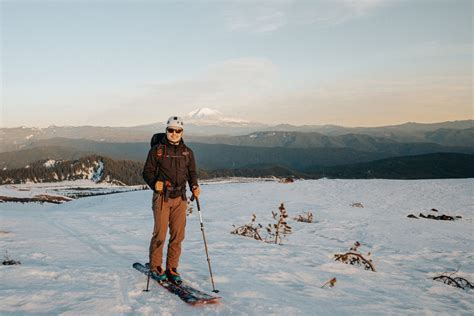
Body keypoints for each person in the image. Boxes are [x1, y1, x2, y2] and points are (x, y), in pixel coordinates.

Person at [142, 116, 200, 283]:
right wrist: (155, 184)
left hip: (180, 197)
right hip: (162, 197)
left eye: (178, 131)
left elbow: (192, 173)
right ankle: (156, 266)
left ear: (182, 132)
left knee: (178, 235)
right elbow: (147, 172)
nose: (174, 133)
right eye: (171, 130)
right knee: (160, 234)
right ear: (166, 130)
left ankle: (172, 268)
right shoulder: (157, 151)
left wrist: (194, 186)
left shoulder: (187, 153)